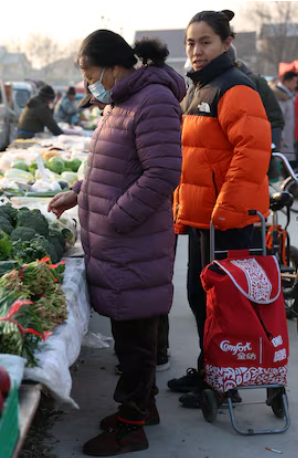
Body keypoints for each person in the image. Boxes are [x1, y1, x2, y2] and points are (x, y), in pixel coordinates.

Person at [48, 31, 184, 456]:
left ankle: (131, 426)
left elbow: (161, 174)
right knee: (131, 333)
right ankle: (144, 407)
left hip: (133, 239)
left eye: (90, 72)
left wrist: (116, 216)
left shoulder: (153, 100)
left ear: (113, 66)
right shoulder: (122, 102)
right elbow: (114, 166)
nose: (89, 82)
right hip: (121, 240)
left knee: (136, 336)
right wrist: (79, 190)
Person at [167, 10, 271, 409]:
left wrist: (227, 209)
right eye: (191, 42)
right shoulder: (198, 88)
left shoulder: (236, 88)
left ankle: (224, 383)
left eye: (205, 41)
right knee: (198, 297)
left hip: (224, 220)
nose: (196, 50)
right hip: (201, 217)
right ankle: (209, 370)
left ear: (227, 43)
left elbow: (252, 154)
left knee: (222, 305)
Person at [226, 44, 284, 153]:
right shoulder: (208, 87)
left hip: (255, 154)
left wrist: (272, 151)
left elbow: (275, 119)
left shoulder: (255, 82)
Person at [272, 71, 297, 165]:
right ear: (286, 82)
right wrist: (280, 138)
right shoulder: (281, 96)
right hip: (284, 138)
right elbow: (279, 118)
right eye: (294, 82)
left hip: (289, 137)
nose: (296, 85)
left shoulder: (289, 96)